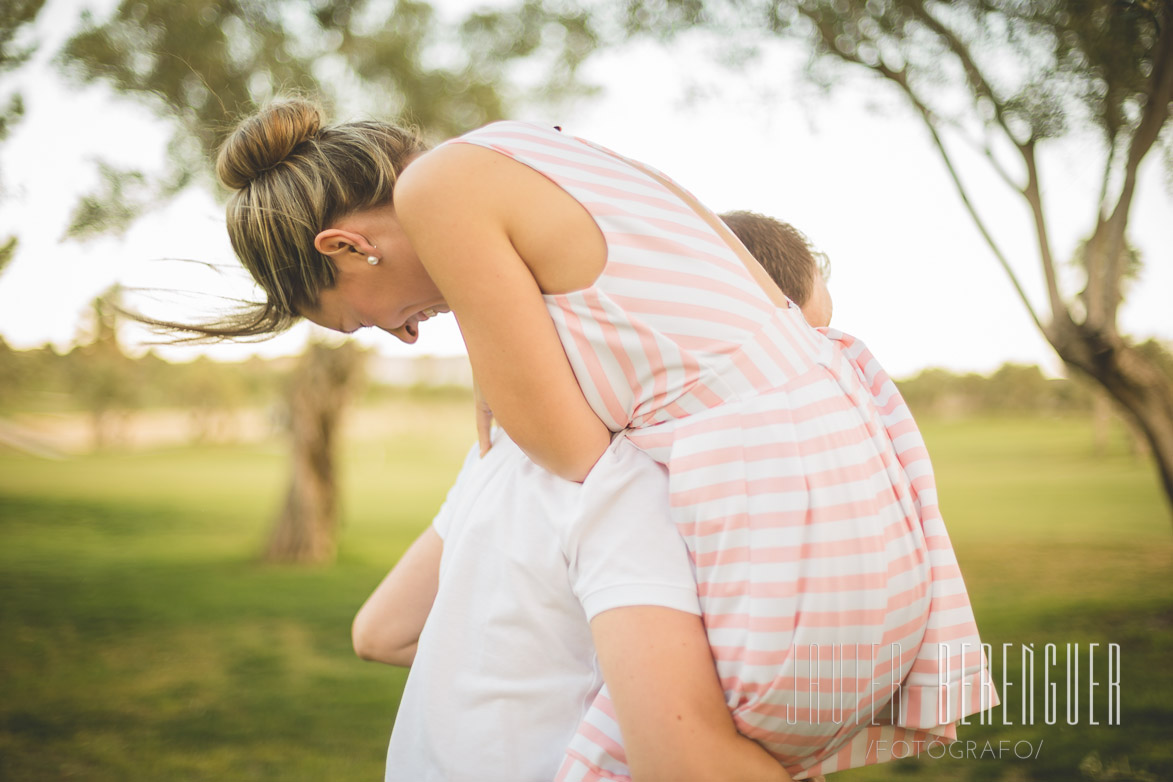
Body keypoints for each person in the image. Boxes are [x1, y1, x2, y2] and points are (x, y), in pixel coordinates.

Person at [202, 100, 997, 779]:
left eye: (362, 316)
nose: (404, 336)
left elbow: (573, 454)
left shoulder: (439, 187)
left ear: (344, 249)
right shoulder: (529, 148)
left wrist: (508, 378)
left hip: (781, 522)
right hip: (859, 495)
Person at [354, 211, 833, 780]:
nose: (827, 373)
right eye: (813, 343)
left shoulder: (504, 441)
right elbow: (683, 759)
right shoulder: (641, 476)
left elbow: (381, 632)